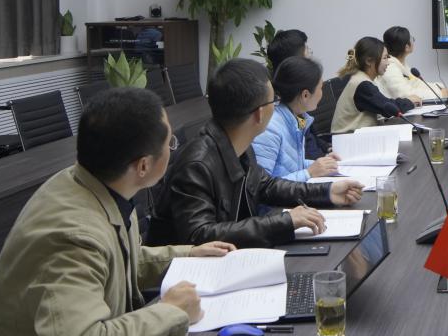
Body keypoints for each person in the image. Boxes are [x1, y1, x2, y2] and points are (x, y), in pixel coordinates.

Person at [0, 88, 235, 336]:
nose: (172, 150)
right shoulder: (72, 236)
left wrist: (188, 255)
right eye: (170, 143)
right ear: (143, 166)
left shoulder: (98, 185)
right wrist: (171, 312)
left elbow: (118, 258)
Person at [147, 59, 363, 248]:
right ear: (259, 113)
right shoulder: (198, 164)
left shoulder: (238, 144)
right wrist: (285, 221)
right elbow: (200, 235)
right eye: (273, 101)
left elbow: (266, 185)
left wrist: (327, 191)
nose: (277, 106)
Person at [252, 56, 341, 182]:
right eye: (321, 87)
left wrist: (323, 163)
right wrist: (309, 173)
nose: (322, 92)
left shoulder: (295, 118)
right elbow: (261, 186)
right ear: (305, 95)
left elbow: (292, 165)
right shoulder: (270, 128)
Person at [332, 36, 419, 133]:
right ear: (369, 61)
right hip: (347, 139)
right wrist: (409, 101)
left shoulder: (362, 78)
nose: (388, 63)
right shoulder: (363, 85)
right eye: (385, 58)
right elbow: (388, 107)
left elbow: (383, 103)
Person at [377, 25, 448, 102]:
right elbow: (404, 94)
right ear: (406, 47)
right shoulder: (389, 68)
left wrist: (440, 87)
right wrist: (439, 94)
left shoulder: (401, 64)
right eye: (412, 39)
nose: (414, 41)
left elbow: (417, 84)